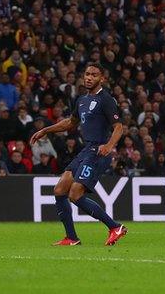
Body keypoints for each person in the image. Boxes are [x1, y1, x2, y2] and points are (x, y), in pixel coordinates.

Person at [30, 63, 126, 246]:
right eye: (87, 74)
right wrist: (46, 130)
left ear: (102, 79)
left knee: (75, 194)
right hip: (86, 150)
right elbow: (70, 122)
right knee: (59, 190)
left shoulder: (105, 99)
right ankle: (72, 238)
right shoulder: (81, 100)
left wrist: (109, 145)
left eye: (94, 75)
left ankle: (115, 227)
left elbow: (119, 127)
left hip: (98, 151)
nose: (89, 77)